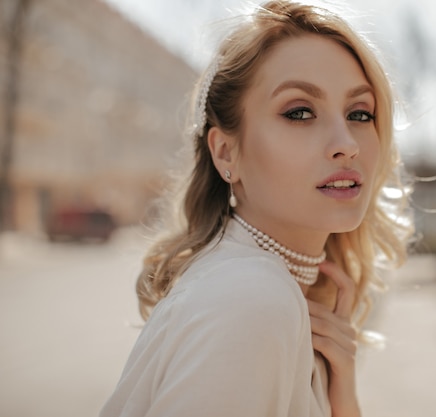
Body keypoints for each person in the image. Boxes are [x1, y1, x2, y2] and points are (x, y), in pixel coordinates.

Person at [100, 1, 412, 416]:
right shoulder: (251, 298)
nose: (347, 143)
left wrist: (343, 399)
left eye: (359, 113)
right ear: (226, 153)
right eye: (300, 112)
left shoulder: (264, 291)